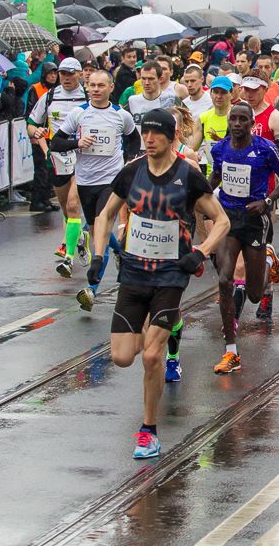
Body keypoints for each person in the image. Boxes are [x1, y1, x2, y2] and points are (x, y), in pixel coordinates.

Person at [87, 109, 229, 458]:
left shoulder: (188, 175)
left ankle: (148, 431)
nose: (148, 140)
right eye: (144, 134)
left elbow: (221, 220)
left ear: (171, 136)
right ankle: (163, 326)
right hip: (134, 274)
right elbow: (105, 214)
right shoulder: (132, 171)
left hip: (170, 275)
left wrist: (202, 251)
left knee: (151, 356)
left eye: (155, 134)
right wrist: (98, 255)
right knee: (122, 357)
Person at [210, 103, 279, 373]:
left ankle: (268, 261)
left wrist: (268, 200)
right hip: (228, 218)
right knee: (225, 278)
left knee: (256, 294)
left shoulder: (264, 148)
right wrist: (198, 197)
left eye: (242, 120)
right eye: (232, 119)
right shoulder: (220, 149)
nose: (236, 124)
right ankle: (231, 351)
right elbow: (215, 175)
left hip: (255, 220)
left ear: (251, 123)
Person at [50, 69, 139, 309]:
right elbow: (55, 143)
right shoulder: (79, 114)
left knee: (101, 225)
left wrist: (129, 160)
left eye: (101, 85)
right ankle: (122, 253)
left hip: (112, 181)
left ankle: (92, 288)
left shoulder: (121, 115)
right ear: (88, 87)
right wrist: (76, 143)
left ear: (111, 88)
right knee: (95, 227)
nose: (96, 89)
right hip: (86, 181)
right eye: (92, 85)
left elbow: (134, 139)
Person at [28, 57, 89, 276]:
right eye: (63, 73)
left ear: (80, 74)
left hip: (83, 157)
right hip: (58, 158)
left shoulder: (88, 96)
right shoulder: (50, 97)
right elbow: (32, 123)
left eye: (71, 73)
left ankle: (69, 257)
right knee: (66, 208)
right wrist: (36, 135)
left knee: (73, 206)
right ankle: (81, 237)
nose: (66, 78)